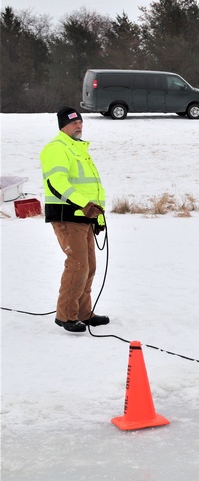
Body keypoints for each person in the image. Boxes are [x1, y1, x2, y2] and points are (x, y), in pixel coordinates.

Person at [41, 107, 109, 333]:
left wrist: (98, 216)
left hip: (84, 217)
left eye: (80, 122)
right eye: (73, 123)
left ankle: (82, 313)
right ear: (62, 126)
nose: (78, 126)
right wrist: (83, 204)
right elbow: (57, 183)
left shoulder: (79, 149)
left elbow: (91, 186)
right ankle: (66, 315)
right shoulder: (56, 148)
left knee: (89, 266)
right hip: (67, 216)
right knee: (78, 265)